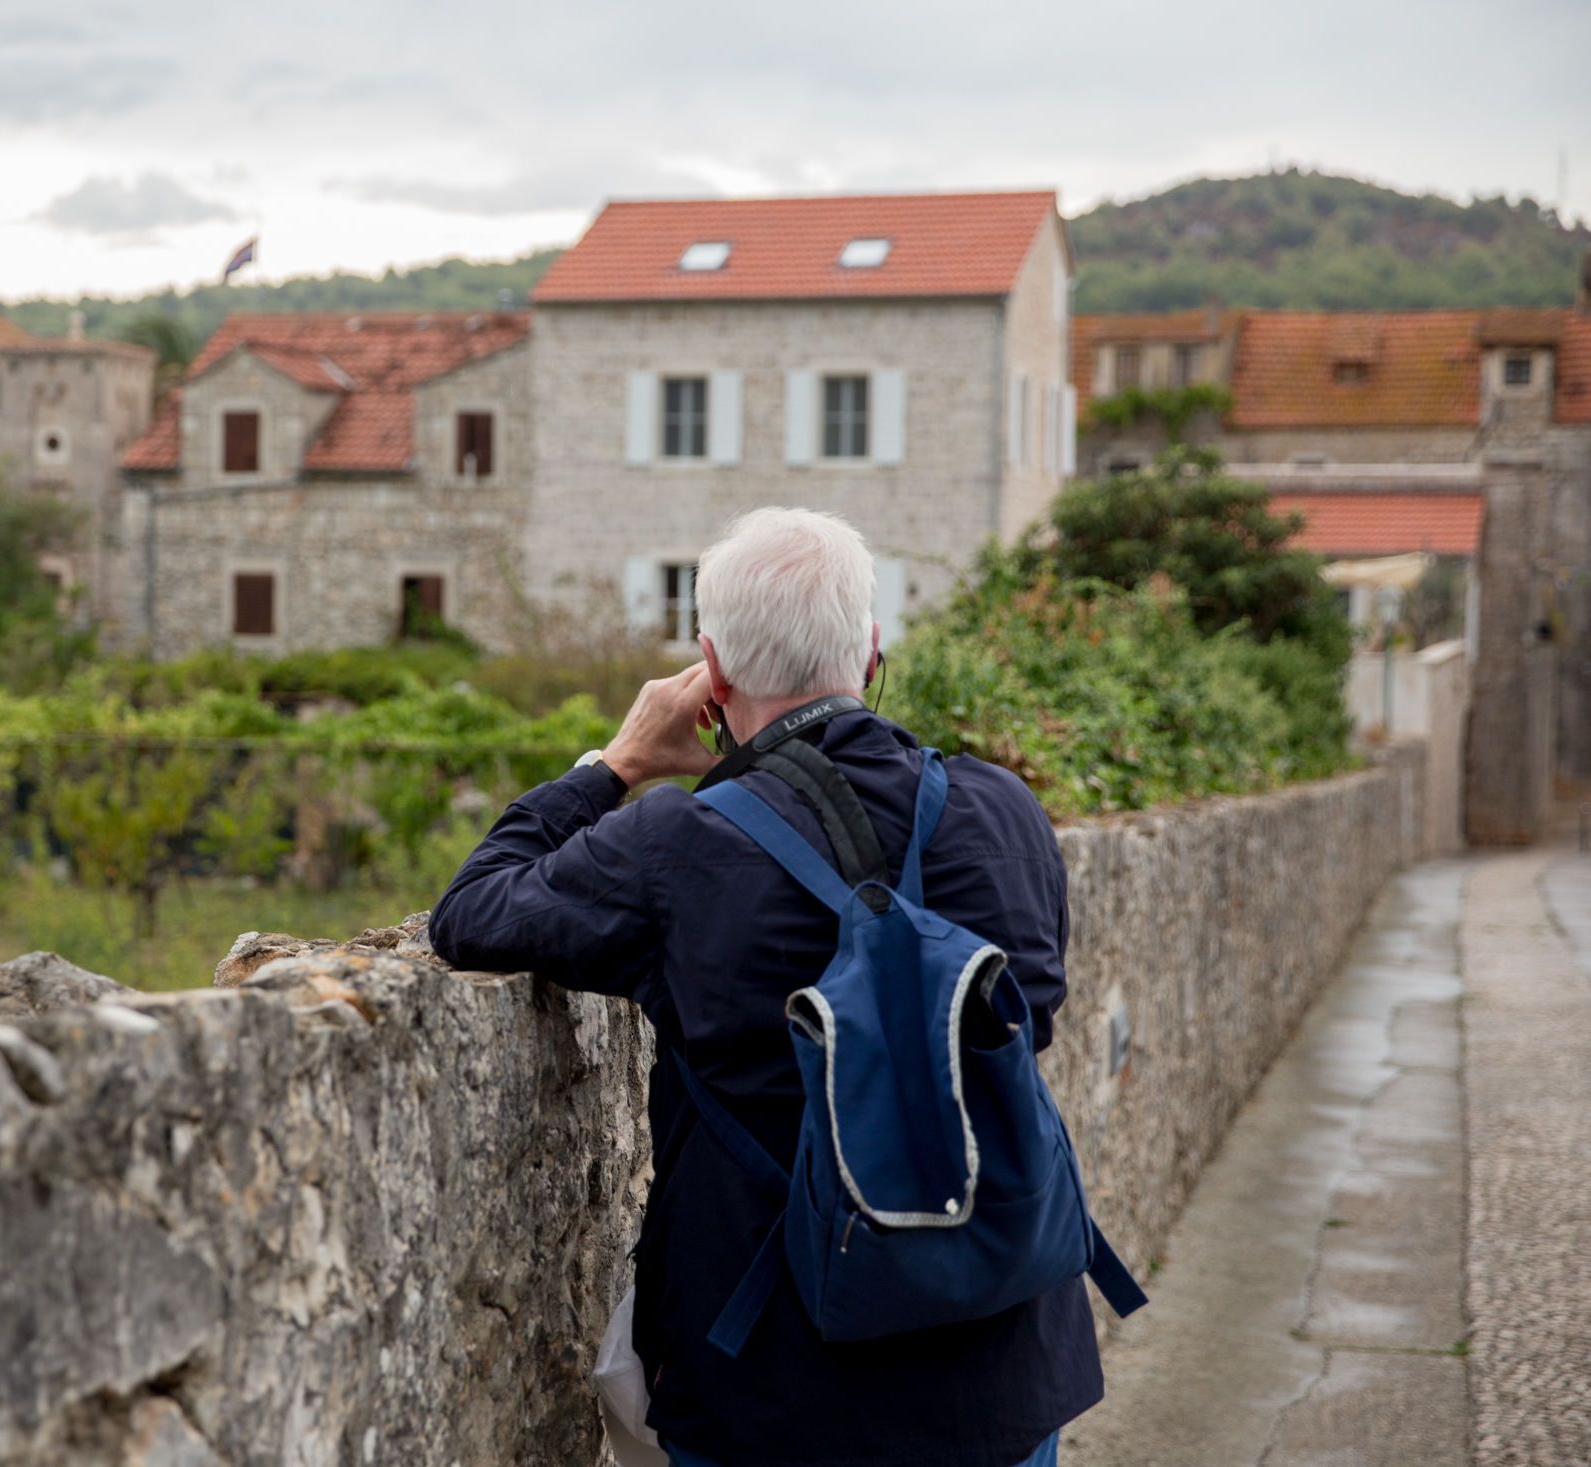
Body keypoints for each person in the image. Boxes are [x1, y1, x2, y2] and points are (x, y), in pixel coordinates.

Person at [431, 508, 1098, 1467]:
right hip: (1002, 1363)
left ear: (712, 671)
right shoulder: (1005, 813)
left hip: (772, 1393)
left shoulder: (675, 844)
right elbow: (1033, 1014)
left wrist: (618, 764)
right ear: (871, 652)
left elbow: (469, 911)